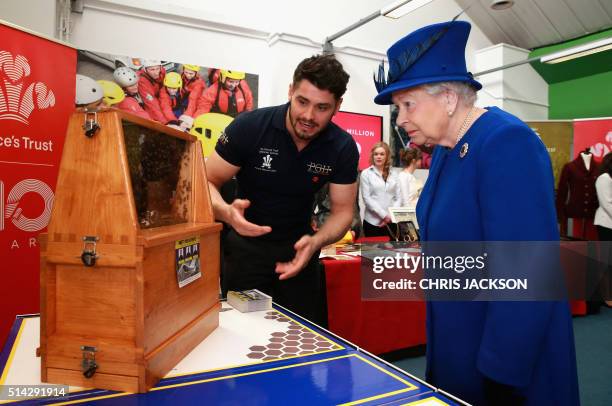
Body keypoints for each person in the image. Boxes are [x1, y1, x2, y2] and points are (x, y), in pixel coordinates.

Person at [374, 21, 579, 405]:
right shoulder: (446, 153)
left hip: (503, 368)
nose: (399, 119)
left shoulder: (505, 142)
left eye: (406, 104)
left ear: (449, 98)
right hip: (458, 345)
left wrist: (500, 374)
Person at [205, 54, 358, 324]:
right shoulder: (250, 127)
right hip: (244, 252)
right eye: (302, 102)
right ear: (290, 91)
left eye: (322, 107)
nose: (309, 116)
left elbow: (343, 212)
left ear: (338, 106)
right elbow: (206, 181)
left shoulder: (341, 147)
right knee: (242, 339)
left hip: (300, 251)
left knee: (302, 341)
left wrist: (316, 242)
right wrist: (226, 213)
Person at [360, 142, 401, 238]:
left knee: (391, 252)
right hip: (372, 223)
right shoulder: (366, 174)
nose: (379, 157)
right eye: (376, 154)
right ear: (372, 156)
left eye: (382, 154)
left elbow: (398, 198)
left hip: (391, 222)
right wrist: (384, 216)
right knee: (374, 252)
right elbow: (367, 199)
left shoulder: (394, 174)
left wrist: (390, 216)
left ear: (387, 156)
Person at [594, 152, 612, 308]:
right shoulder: (604, 178)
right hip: (606, 224)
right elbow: (607, 204)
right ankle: (606, 296)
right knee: (607, 260)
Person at [138, 59, 168, 124]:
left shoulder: (162, 71)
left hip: (159, 95)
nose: (156, 72)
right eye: (152, 69)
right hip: (149, 100)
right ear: (145, 69)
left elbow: (165, 87)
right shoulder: (142, 80)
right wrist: (165, 122)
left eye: (157, 68)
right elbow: (151, 104)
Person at [178, 64, 206, 129]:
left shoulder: (199, 83)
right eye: (186, 72)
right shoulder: (181, 76)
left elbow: (193, 101)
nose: (188, 75)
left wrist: (186, 117)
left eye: (191, 73)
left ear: (196, 73)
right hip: (186, 96)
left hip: (195, 99)